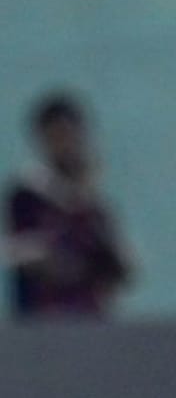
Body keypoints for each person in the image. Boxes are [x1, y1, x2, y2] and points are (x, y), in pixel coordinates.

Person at [5, 92, 135, 317]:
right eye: (56, 135)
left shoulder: (95, 206)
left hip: (91, 318)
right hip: (43, 319)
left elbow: (121, 269)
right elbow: (23, 251)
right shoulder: (27, 195)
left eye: (69, 134)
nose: (65, 144)